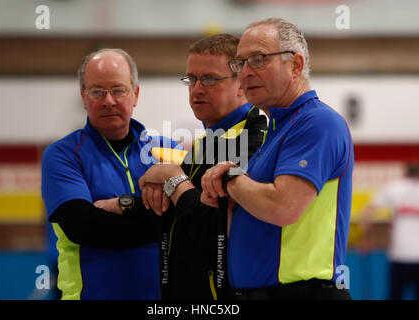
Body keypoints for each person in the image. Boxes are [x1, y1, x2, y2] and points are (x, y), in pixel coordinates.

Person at [200, 18, 354, 300]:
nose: (245, 73)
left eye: (258, 60)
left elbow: (284, 206)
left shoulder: (317, 122)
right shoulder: (277, 127)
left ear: (295, 64)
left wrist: (230, 177)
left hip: (301, 293)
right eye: (240, 63)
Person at [41, 48, 182, 300]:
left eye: (118, 90)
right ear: (83, 98)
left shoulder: (169, 150)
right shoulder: (62, 155)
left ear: (135, 94)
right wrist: (160, 216)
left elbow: (189, 221)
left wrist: (122, 204)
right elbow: (85, 227)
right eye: (97, 91)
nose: (108, 100)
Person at [137, 34, 267, 299]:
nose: (197, 88)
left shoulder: (256, 141)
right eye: (191, 79)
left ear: (241, 84)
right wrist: (126, 202)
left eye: (209, 79)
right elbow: (177, 211)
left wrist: (173, 178)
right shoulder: (203, 144)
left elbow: (212, 229)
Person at [360, 161, 419, 300]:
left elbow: (367, 213)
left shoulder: (394, 188)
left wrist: (367, 238)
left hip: (399, 254)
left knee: (395, 294)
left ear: (405, 173)